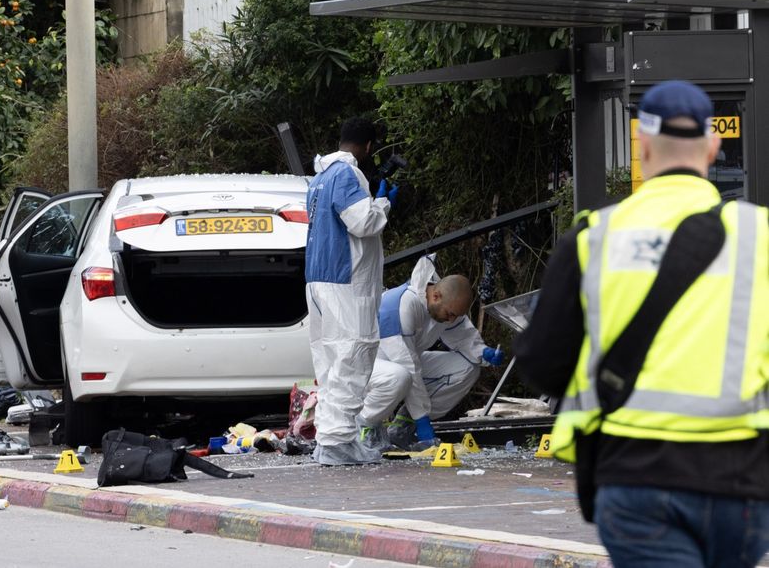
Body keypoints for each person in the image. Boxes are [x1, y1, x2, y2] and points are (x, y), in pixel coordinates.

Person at [515, 80, 768, 567]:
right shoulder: (759, 235)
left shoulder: (593, 237)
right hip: (741, 483)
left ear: (643, 143)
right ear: (714, 145)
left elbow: (542, 363)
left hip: (634, 478)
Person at [306, 117, 397, 466]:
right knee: (353, 356)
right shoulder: (348, 174)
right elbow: (362, 222)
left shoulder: (320, 177)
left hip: (318, 279)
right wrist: (384, 204)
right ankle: (335, 443)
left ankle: (331, 438)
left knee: (332, 363)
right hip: (345, 281)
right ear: (369, 147)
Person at [357, 256, 504, 450]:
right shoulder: (400, 306)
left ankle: (403, 425)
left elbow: (463, 335)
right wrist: (423, 421)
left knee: (468, 368)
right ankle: (362, 427)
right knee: (400, 377)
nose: (451, 320)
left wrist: (483, 352)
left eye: (456, 316)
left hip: (403, 363)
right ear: (435, 296)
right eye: (450, 314)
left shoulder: (443, 307)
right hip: (366, 364)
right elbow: (408, 367)